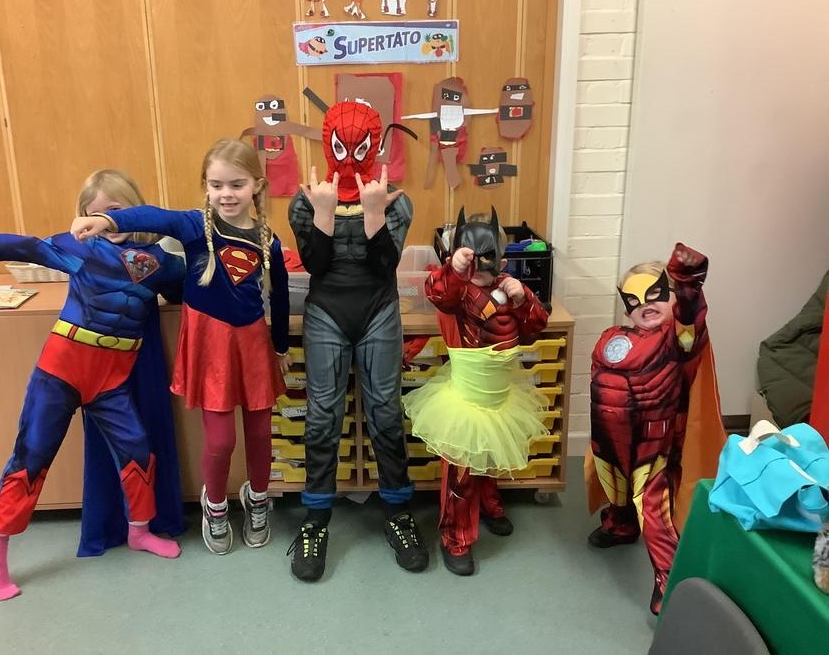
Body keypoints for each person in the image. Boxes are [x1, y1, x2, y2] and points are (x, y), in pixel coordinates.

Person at [0, 169, 187, 600]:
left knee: (138, 451)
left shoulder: (157, 261)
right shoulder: (78, 248)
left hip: (113, 377)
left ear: (136, 209)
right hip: (61, 370)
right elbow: (19, 245)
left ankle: (140, 531)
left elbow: (187, 284)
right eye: (94, 213)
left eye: (115, 210)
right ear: (82, 217)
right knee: (32, 456)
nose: (105, 220)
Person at [72, 139, 290, 554]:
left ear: (257, 186)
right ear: (206, 186)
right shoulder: (193, 226)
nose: (227, 194)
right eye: (217, 185)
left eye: (237, 184)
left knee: (261, 433)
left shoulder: (269, 241)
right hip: (211, 346)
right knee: (221, 440)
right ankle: (215, 505)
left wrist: (280, 347)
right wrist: (105, 219)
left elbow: (278, 298)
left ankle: (258, 498)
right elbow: (153, 216)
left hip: (253, 345)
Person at [287, 100, 428, 581]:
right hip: (327, 310)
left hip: (377, 309)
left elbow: (384, 266)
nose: (349, 158)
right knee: (322, 416)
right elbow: (317, 266)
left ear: (375, 145)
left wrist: (372, 214)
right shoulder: (306, 200)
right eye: (340, 146)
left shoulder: (396, 200)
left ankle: (398, 513)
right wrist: (325, 213)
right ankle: (315, 520)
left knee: (386, 412)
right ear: (327, 142)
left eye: (360, 147)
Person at [402, 208, 550, 575]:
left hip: (500, 394)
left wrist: (524, 299)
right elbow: (437, 291)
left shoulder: (507, 287)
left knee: (491, 454)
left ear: (501, 259)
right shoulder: (454, 291)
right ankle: (456, 538)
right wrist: (455, 269)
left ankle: (489, 504)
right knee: (462, 471)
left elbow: (534, 327)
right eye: (471, 256)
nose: (479, 265)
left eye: (487, 257)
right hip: (466, 398)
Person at [585, 242, 710, 615]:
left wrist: (688, 284)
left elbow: (690, 323)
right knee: (616, 488)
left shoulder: (676, 340)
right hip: (608, 435)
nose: (645, 305)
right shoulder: (613, 336)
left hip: (653, 439)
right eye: (634, 299)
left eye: (656, 294)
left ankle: (669, 581)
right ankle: (621, 525)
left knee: (653, 505)